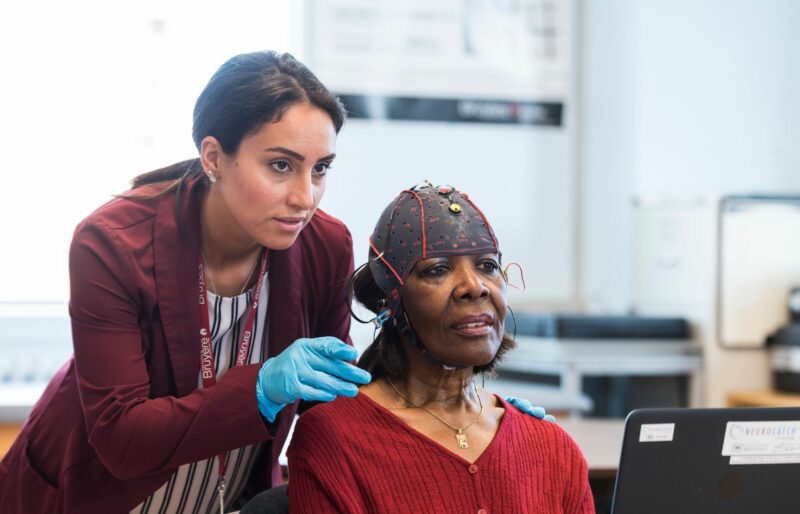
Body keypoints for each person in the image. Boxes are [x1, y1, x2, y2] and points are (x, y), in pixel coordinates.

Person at [0, 51, 373, 514]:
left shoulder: (326, 244)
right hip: (94, 496)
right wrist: (261, 387)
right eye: (281, 165)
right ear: (214, 156)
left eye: (320, 169)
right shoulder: (112, 243)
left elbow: (328, 410)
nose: (305, 197)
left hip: (226, 498)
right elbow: (123, 438)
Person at [285, 183, 595, 513]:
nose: (474, 287)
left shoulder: (551, 447)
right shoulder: (335, 439)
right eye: (438, 269)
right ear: (390, 302)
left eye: (487, 266)